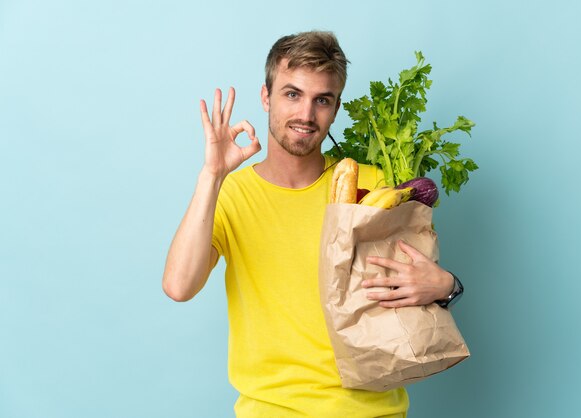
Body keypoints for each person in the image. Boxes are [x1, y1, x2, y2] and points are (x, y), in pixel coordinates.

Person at [162, 31, 461, 418]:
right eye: (292, 94)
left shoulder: (373, 186)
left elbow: (411, 287)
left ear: (336, 109)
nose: (306, 114)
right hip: (272, 410)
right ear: (266, 97)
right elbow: (179, 286)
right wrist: (211, 175)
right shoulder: (231, 193)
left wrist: (448, 286)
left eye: (322, 100)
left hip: (375, 411)